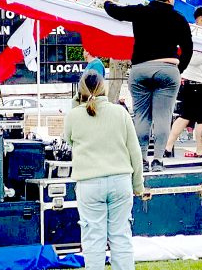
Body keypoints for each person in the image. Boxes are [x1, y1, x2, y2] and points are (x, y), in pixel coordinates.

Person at [103, 0, 193, 172]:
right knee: (162, 117)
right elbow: (188, 48)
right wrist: (179, 69)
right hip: (168, 69)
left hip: (140, 69)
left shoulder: (140, 11)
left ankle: (142, 159)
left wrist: (107, 1)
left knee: (141, 117)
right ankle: (158, 160)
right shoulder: (179, 18)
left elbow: (115, 12)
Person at [63, 71, 144, 270]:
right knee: (121, 237)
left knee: (93, 240)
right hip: (120, 180)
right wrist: (138, 185)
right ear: (104, 87)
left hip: (89, 183)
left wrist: (77, 103)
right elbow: (135, 152)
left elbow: (68, 140)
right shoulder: (120, 113)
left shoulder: (74, 115)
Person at [165, 6, 202, 158]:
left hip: (196, 82)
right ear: (201, 19)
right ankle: (199, 151)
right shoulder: (198, 35)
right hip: (199, 83)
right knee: (201, 118)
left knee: (186, 117)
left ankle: (167, 147)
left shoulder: (199, 35)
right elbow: (193, 59)